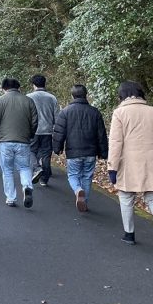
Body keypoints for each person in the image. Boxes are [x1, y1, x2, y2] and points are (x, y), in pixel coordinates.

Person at [107, 81, 153, 253]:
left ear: (121, 95)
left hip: (129, 163)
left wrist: (112, 168)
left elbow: (115, 143)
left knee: (126, 198)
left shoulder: (119, 113)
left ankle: (129, 234)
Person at [51, 84, 108, 213]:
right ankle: (84, 201)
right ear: (86, 95)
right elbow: (101, 134)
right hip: (90, 152)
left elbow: (59, 133)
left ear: (72, 96)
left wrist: (57, 148)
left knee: (73, 175)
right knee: (87, 177)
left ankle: (78, 190)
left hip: (73, 151)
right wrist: (103, 152)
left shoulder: (65, 112)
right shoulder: (95, 112)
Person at [0, 78, 39, 208]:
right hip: (23, 140)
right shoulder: (28, 101)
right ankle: (27, 186)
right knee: (24, 167)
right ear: (18, 87)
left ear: (4, 88)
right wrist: (30, 134)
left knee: (7, 170)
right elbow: (35, 121)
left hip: (5, 140)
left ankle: (11, 198)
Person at [27, 74, 59, 187]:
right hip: (48, 130)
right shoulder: (52, 98)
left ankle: (36, 168)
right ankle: (44, 179)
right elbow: (56, 116)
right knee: (46, 153)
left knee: (31, 151)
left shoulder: (28, 97)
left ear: (33, 85)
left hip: (33, 130)